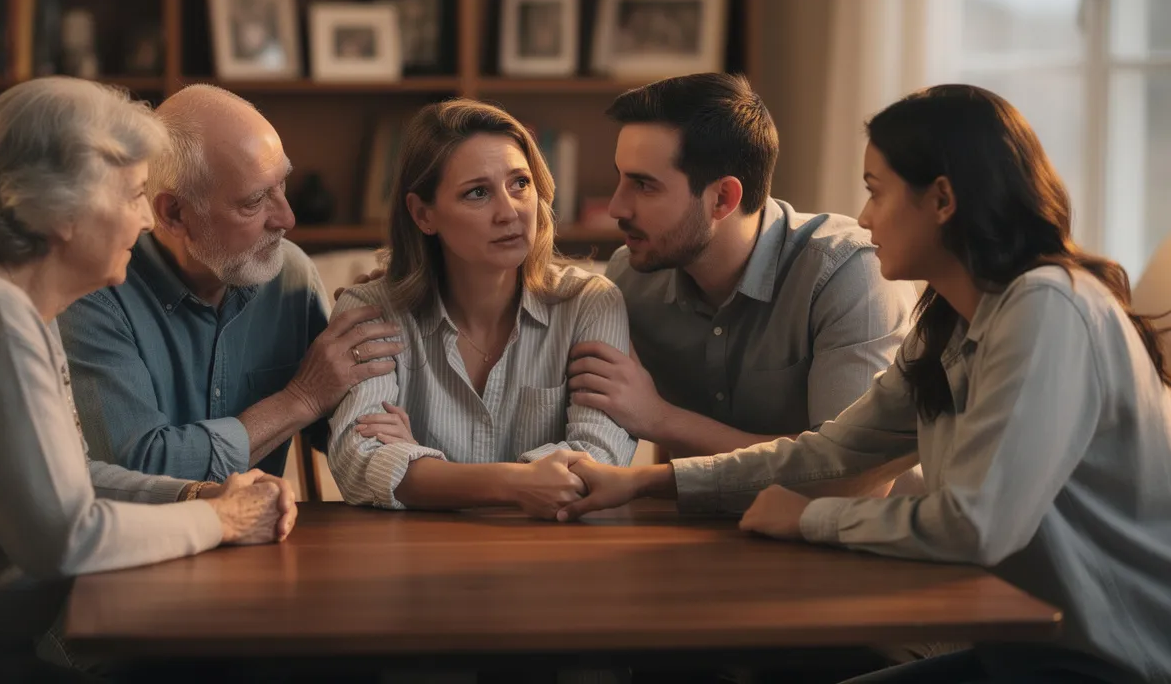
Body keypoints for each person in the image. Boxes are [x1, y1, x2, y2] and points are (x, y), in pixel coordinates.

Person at [556, 85, 1171, 683]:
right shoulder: (950, 323)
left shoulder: (1047, 304)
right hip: (1021, 652)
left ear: (943, 200)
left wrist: (810, 519)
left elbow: (977, 526)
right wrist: (649, 480)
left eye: (877, 192)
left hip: (1112, 662)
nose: (866, 215)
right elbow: (832, 451)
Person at [0, 77, 296, 683]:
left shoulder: (1, 292)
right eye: (132, 195)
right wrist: (224, 520)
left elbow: (67, 479)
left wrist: (192, 495)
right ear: (61, 210)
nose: (146, 222)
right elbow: (66, 538)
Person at [58, 84, 403, 484]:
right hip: (148, 542)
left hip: (269, 536)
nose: (287, 218)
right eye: (254, 202)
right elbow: (139, 470)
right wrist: (299, 399)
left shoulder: (289, 274)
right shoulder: (94, 294)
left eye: (282, 185)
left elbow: (336, 429)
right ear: (174, 214)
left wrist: (391, 325)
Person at [568, 73, 917, 460]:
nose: (616, 207)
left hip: (831, 521)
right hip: (681, 517)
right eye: (620, 178)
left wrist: (661, 419)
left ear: (723, 198)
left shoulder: (847, 275)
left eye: (645, 185)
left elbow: (852, 471)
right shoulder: (631, 278)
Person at [327, 98, 638, 518]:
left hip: (554, 562)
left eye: (520, 184)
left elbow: (597, 465)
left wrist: (421, 464)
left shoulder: (589, 304)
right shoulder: (370, 311)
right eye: (478, 193)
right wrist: (519, 483)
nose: (509, 212)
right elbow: (359, 464)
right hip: (417, 564)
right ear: (423, 214)